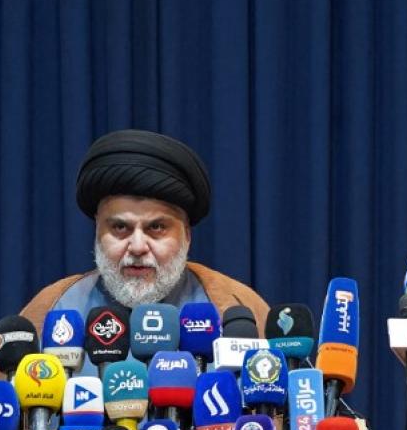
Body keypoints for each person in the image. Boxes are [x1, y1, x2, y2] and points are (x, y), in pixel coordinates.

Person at [18, 129, 269, 338]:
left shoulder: (238, 306)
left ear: (187, 235)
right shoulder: (51, 308)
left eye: (156, 228)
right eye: (120, 228)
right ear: (97, 231)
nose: (137, 247)